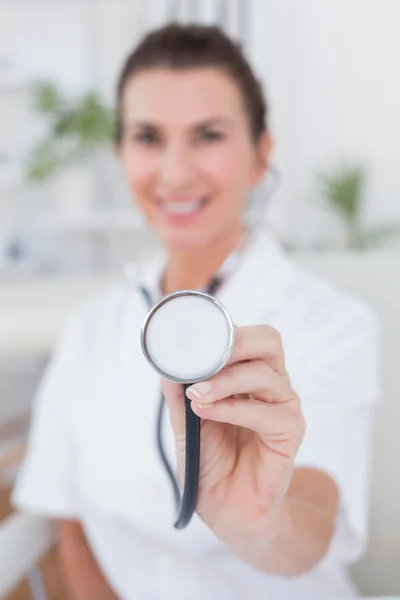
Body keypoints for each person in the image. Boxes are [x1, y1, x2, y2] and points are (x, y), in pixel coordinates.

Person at [12, 24, 380, 600]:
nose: (176, 172)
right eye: (148, 137)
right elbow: (72, 527)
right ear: (121, 153)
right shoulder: (90, 330)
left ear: (261, 155)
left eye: (208, 135)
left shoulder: (332, 321)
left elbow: (313, 520)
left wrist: (259, 523)